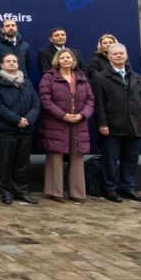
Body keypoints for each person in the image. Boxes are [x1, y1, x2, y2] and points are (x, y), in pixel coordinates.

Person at [91, 43, 141, 203]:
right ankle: (110, 189)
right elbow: (98, 104)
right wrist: (102, 124)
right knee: (110, 160)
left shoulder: (136, 77)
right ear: (109, 56)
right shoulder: (100, 77)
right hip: (112, 126)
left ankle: (128, 188)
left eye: (122, 53)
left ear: (126, 55)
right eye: (115, 54)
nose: (119, 56)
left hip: (134, 125)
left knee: (131, 159)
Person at [38, 49, 94, 203]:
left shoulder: (81, 77)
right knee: (55, 156)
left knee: (77, 156)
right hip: (56, 122)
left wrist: (82, 115)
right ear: (57, 60)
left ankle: (77, 192)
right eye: (62, 57)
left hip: (78, 122)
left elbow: (90, 99)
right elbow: (45, 99)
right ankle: (54, 191)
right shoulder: (48, 77)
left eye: (68, 57)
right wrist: (63, 115)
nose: (66, 60)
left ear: (73, 60)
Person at [0, 53, 40, 205]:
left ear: (18, 64)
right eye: (8, 61)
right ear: (2, 65)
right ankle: (6, 192)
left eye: (14, 61)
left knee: (22, 163)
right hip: (6, 130)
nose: (11, 63)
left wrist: (28, 119)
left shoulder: (27, 83)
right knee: (5, 163)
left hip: (26, 130)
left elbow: (36, 104)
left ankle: (21, 191)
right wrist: (17, 120)